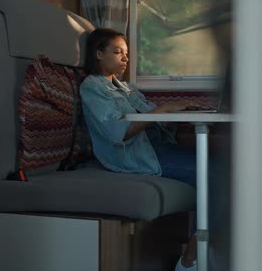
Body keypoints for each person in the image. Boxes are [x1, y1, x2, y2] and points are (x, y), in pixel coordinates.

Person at [80, 28, 199, 270]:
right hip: (135, 157)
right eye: (117, 52)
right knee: (215, 172)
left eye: (126, 53)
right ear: (99, 54)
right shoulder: (92, 88)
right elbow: (117, 132)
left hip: (156, 147)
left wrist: (179, 110)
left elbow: (155, 116)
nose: (125, 58)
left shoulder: (128, 89)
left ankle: (200, 247)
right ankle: (193, 255)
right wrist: (162, 110)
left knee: (218, 163)